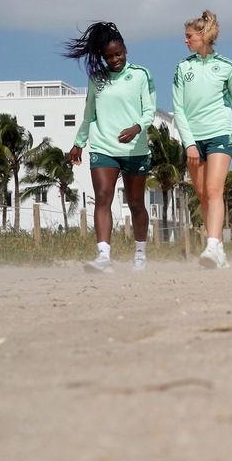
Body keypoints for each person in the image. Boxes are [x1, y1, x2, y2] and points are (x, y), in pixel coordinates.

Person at [64, 21, 155, 273]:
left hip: (135, 149)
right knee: (102, 198)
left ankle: (140, 254)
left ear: (125, 49)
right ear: (102, 57)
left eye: (118, 53)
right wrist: (78, 143)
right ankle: (103, 256)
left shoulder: (141, 75)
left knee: (136, 203)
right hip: (103, 147)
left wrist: (137, 127)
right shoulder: (97, 79)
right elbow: (89, 113)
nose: (114, 59)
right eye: (109, 56)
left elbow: (149, 111)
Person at [173, 10, 232, 269]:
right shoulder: (182, 67)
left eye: (189, 37)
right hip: (193, 139)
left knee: (213, 190)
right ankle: (218, 247)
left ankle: (210, 246)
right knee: (203, 195)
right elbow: (178, 110)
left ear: (202, 36)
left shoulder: (228, 67)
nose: (185, 41)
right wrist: (188, 143)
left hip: (220, 133)